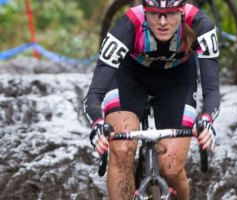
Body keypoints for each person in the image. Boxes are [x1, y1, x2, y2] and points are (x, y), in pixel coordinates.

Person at [83, 0, 220, 199]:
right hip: (129, 77)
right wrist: (97, 123)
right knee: (121, 151)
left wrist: (207, 120)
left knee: (171, 167)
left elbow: (211, 90)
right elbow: (94, 94)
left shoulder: (201, 24)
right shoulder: (128, 24)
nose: (162, 21)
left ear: (182, 11)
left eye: (171, 14)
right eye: (155, 14)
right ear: (145, 11)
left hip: (177, 81)